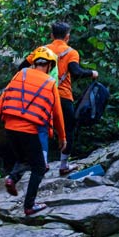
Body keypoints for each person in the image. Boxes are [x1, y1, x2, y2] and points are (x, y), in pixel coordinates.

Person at [0, 47, 66, 217]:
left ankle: (12, 178)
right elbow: (57, 112)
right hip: (29, 130)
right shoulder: (50, 83)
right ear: (49, 66)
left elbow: (4, 95)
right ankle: (29, 206)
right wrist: (62, 137)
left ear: (34, 63)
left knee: (24, 159)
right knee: (39, 168)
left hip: (10, 128)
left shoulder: (20, 75)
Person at [46, 21, 98, 175]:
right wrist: (92, 73)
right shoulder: (71, 52)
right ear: (67, 37)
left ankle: (42, 162)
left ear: (51, 35)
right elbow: (75, 71)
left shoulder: (43, 50)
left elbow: (23, 66)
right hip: (62, 96)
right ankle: (63, 165)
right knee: (69, 128)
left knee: (43, 129)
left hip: (43, 96)